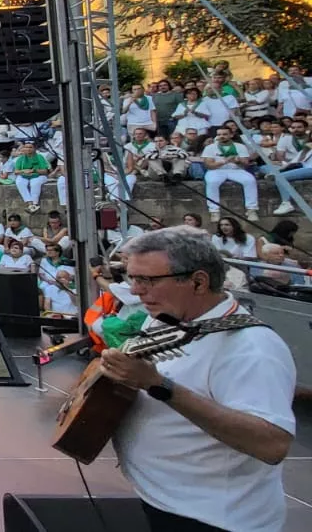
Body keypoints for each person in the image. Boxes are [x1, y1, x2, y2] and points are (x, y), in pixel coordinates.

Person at [98, 226, 295, 531]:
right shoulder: (165, 316)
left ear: (198, 281)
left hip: (213, 519)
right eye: (131, 277)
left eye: (146, 280)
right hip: (163, 502)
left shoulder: (251, 348)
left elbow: (271, 444)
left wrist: (160, 386)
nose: (135, 290)